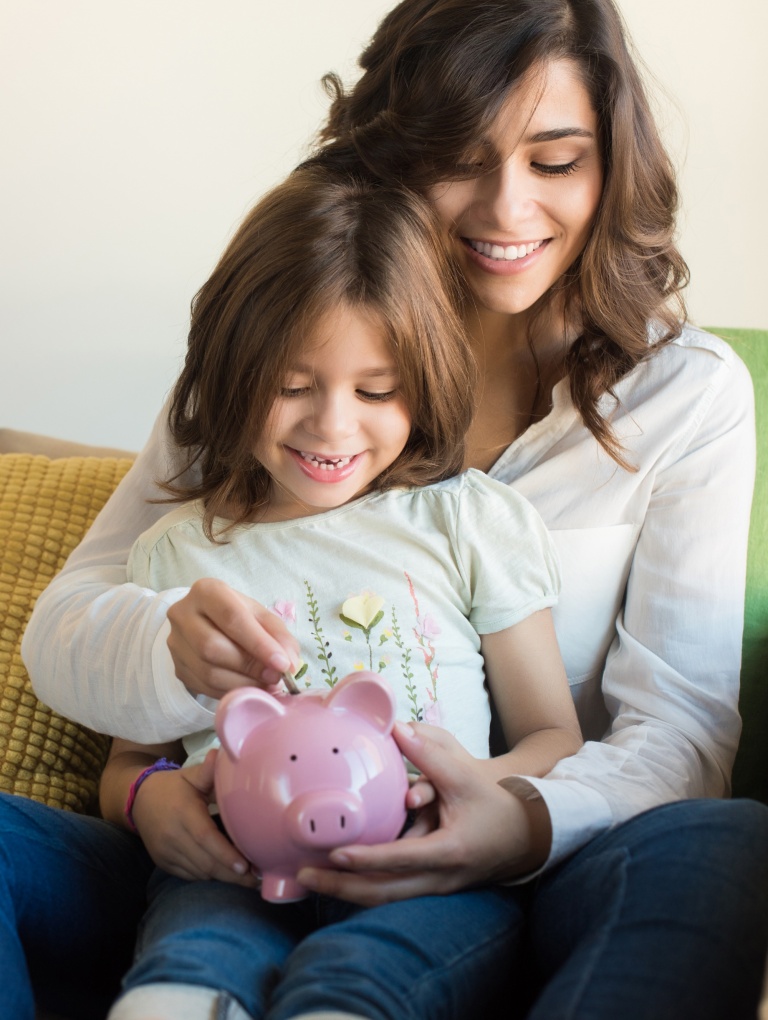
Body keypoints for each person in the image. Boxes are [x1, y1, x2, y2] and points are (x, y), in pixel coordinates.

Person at [17, 0, 768, 1017]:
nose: (508, 209)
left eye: (555, 162)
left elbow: (678, 731)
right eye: (462, 155)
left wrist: (520, 818)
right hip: (230, 869)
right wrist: (156, 746)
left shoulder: (688, 397)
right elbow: (72, 625)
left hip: (540, 874)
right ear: (390, 155)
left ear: (612, 167)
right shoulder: (265, 373)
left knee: (727, 844)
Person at [96, 160, 582, 1020]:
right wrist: (148, 801)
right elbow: (131, 763)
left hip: (427, 872)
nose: (332, 424)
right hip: (232, 875)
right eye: (291, 386)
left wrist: (479, 789)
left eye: (376, 390)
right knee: (189, 963)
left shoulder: (467, 521)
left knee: (362, 982)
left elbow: (553, 733)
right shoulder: (178, 553)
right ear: (228, 371)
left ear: (424, 384)